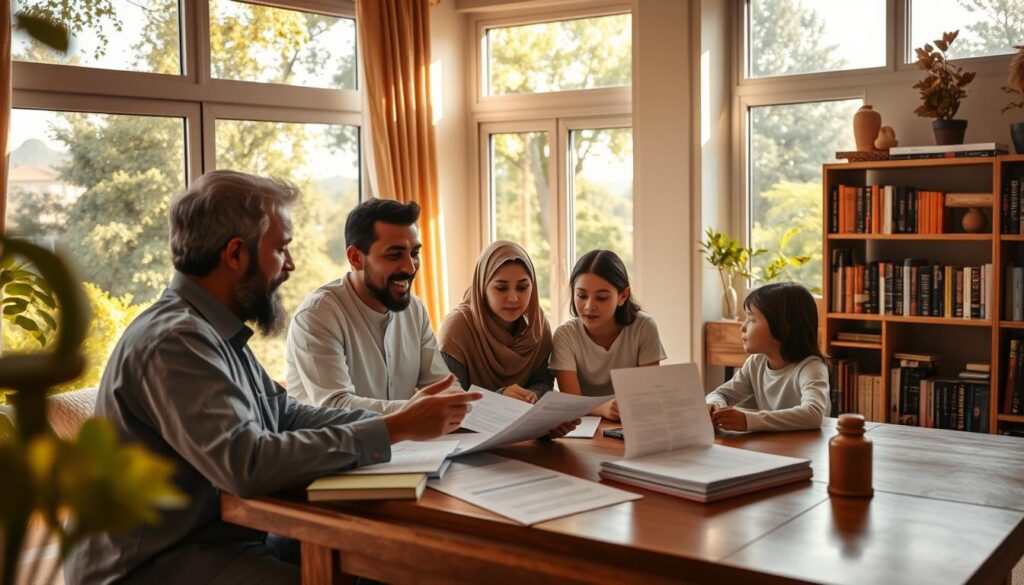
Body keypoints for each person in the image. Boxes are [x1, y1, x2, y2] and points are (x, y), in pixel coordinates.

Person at [65, 170, 480, 585]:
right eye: (281, 249)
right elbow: (247, 462)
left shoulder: (213, 331)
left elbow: (285, 413)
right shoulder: (176, 342)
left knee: (380, 561)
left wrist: (399, 424)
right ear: (234, 254)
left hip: (229, 537)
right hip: (159, 562)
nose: (291, 265)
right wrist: (394, 428)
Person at [286, 199, 456, 414]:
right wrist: (415, 412)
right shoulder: (317, 315)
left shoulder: (415, 310)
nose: (410, 267)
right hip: (336, 446)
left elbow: (443, 388)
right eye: (394, 255)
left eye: (414, 253)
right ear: (356, 258)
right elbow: (336, 407)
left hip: (405, 446)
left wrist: (489, 405)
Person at [438, 242, 576, 437]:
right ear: (482, 287)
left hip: (520, 438)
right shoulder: (458, 327)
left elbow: (543, 382)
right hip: (467, 440)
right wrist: (500, 398)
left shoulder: (537, 325)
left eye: (522, 287)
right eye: (501, 288)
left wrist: (532, 398)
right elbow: (450, 401)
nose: (513, 298)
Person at [550, 250, 666, 421]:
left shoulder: (644, 327)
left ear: (623, 296)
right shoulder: (565, 335)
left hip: (632, 424)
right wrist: (603, 408)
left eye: (601, 298)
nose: (589, 307)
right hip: (582, 428)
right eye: (581, 295)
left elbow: (646, 396)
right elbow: (571, 403)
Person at [705, 282, 830, 432]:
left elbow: (813, 414)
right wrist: (715, 405)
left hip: (809, 450)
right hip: (774, 448)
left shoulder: (811, 367)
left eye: (751, 319)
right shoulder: (756, 363)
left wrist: (748, 420)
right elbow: (721, 394)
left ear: (782, 328)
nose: (742, 327)